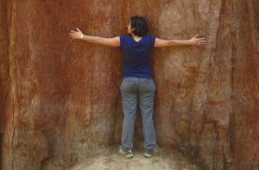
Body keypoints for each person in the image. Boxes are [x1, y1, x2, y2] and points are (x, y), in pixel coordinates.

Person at [69, 16, 205, 159]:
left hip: (128, 82)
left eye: (129, 25)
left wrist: (82, 36)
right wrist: (189, 42)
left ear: (133, 28)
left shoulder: (124, 40)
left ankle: (126, 149)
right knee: (147, 116)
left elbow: (102, 40)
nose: (127, 26)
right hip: (147, 82)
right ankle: (150, 149)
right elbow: (169, 42)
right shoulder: (150, 41)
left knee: (129, 116)